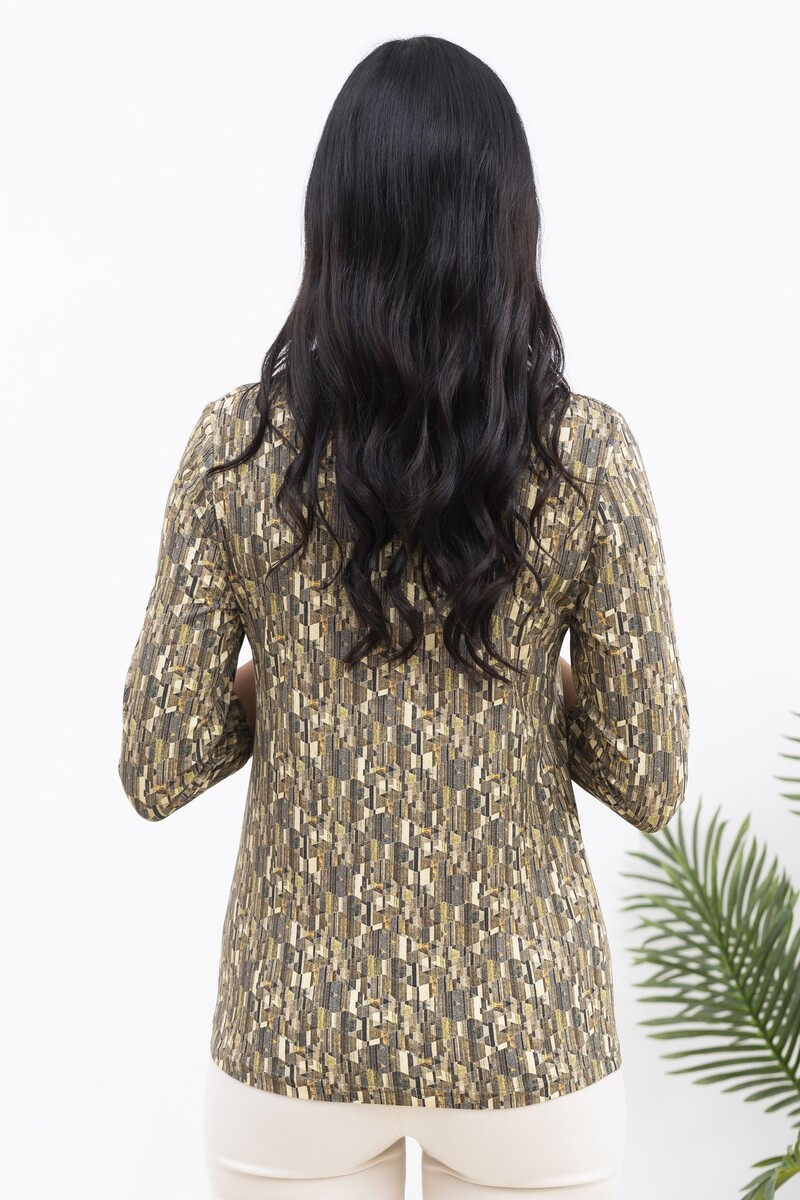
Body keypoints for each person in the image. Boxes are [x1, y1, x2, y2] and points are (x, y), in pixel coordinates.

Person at [117, 34, 689, 1200]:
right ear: (508, 226)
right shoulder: (585, 458)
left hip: (294, 1039)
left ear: (331, 222)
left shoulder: (237, 452)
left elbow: (158, 760)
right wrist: (521, 676)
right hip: (528, 1042)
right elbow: (647, 770)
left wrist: (295, 673)